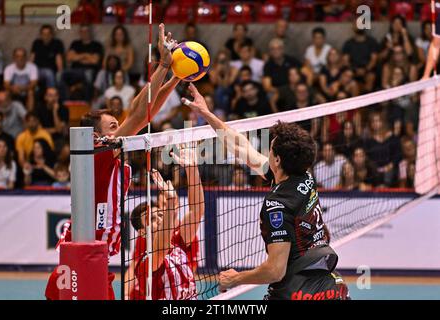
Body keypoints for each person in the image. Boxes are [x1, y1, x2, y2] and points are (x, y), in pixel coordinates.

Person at [45, 23, 181, 300]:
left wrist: (176, 77)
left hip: (95, 252)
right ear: (96, 136)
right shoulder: (98, 151)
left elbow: (145, 113)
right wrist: (164, 67)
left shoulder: (110, 153)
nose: (119, 130)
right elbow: (138, 116)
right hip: (82, 250)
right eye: (112, 127)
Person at [182, 83, 349, 300]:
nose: (266, 150)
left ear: (277, 160)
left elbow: (275, 270)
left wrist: (235, 279)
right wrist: (207, 114)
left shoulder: (277, 205)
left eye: (270, 147)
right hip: (331, 285)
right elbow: (242, 148)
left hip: (299, 291)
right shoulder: (303, 176)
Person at [128, 146, 204, 300]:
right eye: (152, 219)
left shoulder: (178, 242)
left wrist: (192, 169)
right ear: (143, 232)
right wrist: (170, 205)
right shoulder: (145, 262)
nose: (160, 219)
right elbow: (160, 249)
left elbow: (197, 210)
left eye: (160, 215)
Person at [342, 25, 378, 93]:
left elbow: (374, 59)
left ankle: (367, 101)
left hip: (368, 70)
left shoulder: (372, 42)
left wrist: (365, 69)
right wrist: (354, 70)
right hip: (353, 70)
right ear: (353, 27)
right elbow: (345, 61)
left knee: (371, 76)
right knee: (347, 75)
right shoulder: (348, 43)